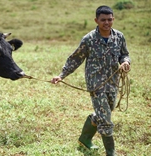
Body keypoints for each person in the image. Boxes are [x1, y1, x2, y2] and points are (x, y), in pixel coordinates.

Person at [51, 5, 131, 156]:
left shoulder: (119, 37)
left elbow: (124, 54)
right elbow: (75, 59)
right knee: (106, 120)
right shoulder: (89, 39)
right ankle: (111, 153)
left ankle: (84, 138)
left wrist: (125, 62)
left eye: (109, 19)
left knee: (104, 113)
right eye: (103, 20)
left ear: (113, 19)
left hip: (113, 83)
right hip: (96, 85)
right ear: (96, 20)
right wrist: (61, 75)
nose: (106, 23)